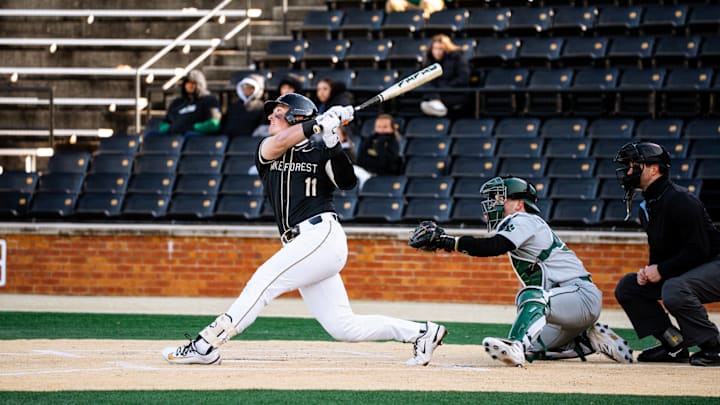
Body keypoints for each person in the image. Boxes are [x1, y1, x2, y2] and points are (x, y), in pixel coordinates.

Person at [162, 93, 446, 367]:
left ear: (297, 117)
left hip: (321, 236)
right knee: (344, 327)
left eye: (279, 112)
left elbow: (347, 182)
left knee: (263, 281)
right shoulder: (268, 148)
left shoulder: (320, 151)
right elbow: (284, 140)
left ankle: (206, 344)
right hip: (301, 244)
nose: (272, 115)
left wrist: (333, 139)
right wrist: (321, 122)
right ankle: (422, 333)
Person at [408, 176, 634, 367]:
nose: (493, 204)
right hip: (564, 309)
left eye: (500, 198)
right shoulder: (521, 222)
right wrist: (447, 243)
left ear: (519, 203)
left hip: (579, 295)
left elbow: (494, 247)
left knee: (530, 296)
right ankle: (585, 341)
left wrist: (447, 242)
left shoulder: (524, 219)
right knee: (533, 347)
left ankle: (515, 345)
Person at [613, 142, 720, 367]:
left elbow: (700, 249)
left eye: (635, 166)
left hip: (714, 263)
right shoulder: (648, 205)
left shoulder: (681, 200)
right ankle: (674, 344)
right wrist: (650, 271)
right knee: (629, 286)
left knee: (674, 289)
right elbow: (664, 251)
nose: (630, 172)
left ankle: (714, 347)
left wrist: (661, 271)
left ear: (654, 169)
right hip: (692, 268)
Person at [155, 70, 222, 137]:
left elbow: (214, 124)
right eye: (187, 83)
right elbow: (163, 125)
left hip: (196, 138)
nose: (190, 85)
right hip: (175, 136)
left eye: (193, 83)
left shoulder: (210, 100)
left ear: (200, 84)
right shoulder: (177, 103)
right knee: (152, 135)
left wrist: (191, 127)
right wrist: (172, 128)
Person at [419, 34, 470, 118]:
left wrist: (445, 88)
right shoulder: (429, 61)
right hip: (435, 95)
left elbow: (463, 78)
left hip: (454, 93)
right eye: (435, 48)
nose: (437, 52)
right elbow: (426, 81)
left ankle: (441, 111)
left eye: (440, 49)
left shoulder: (457, 58)